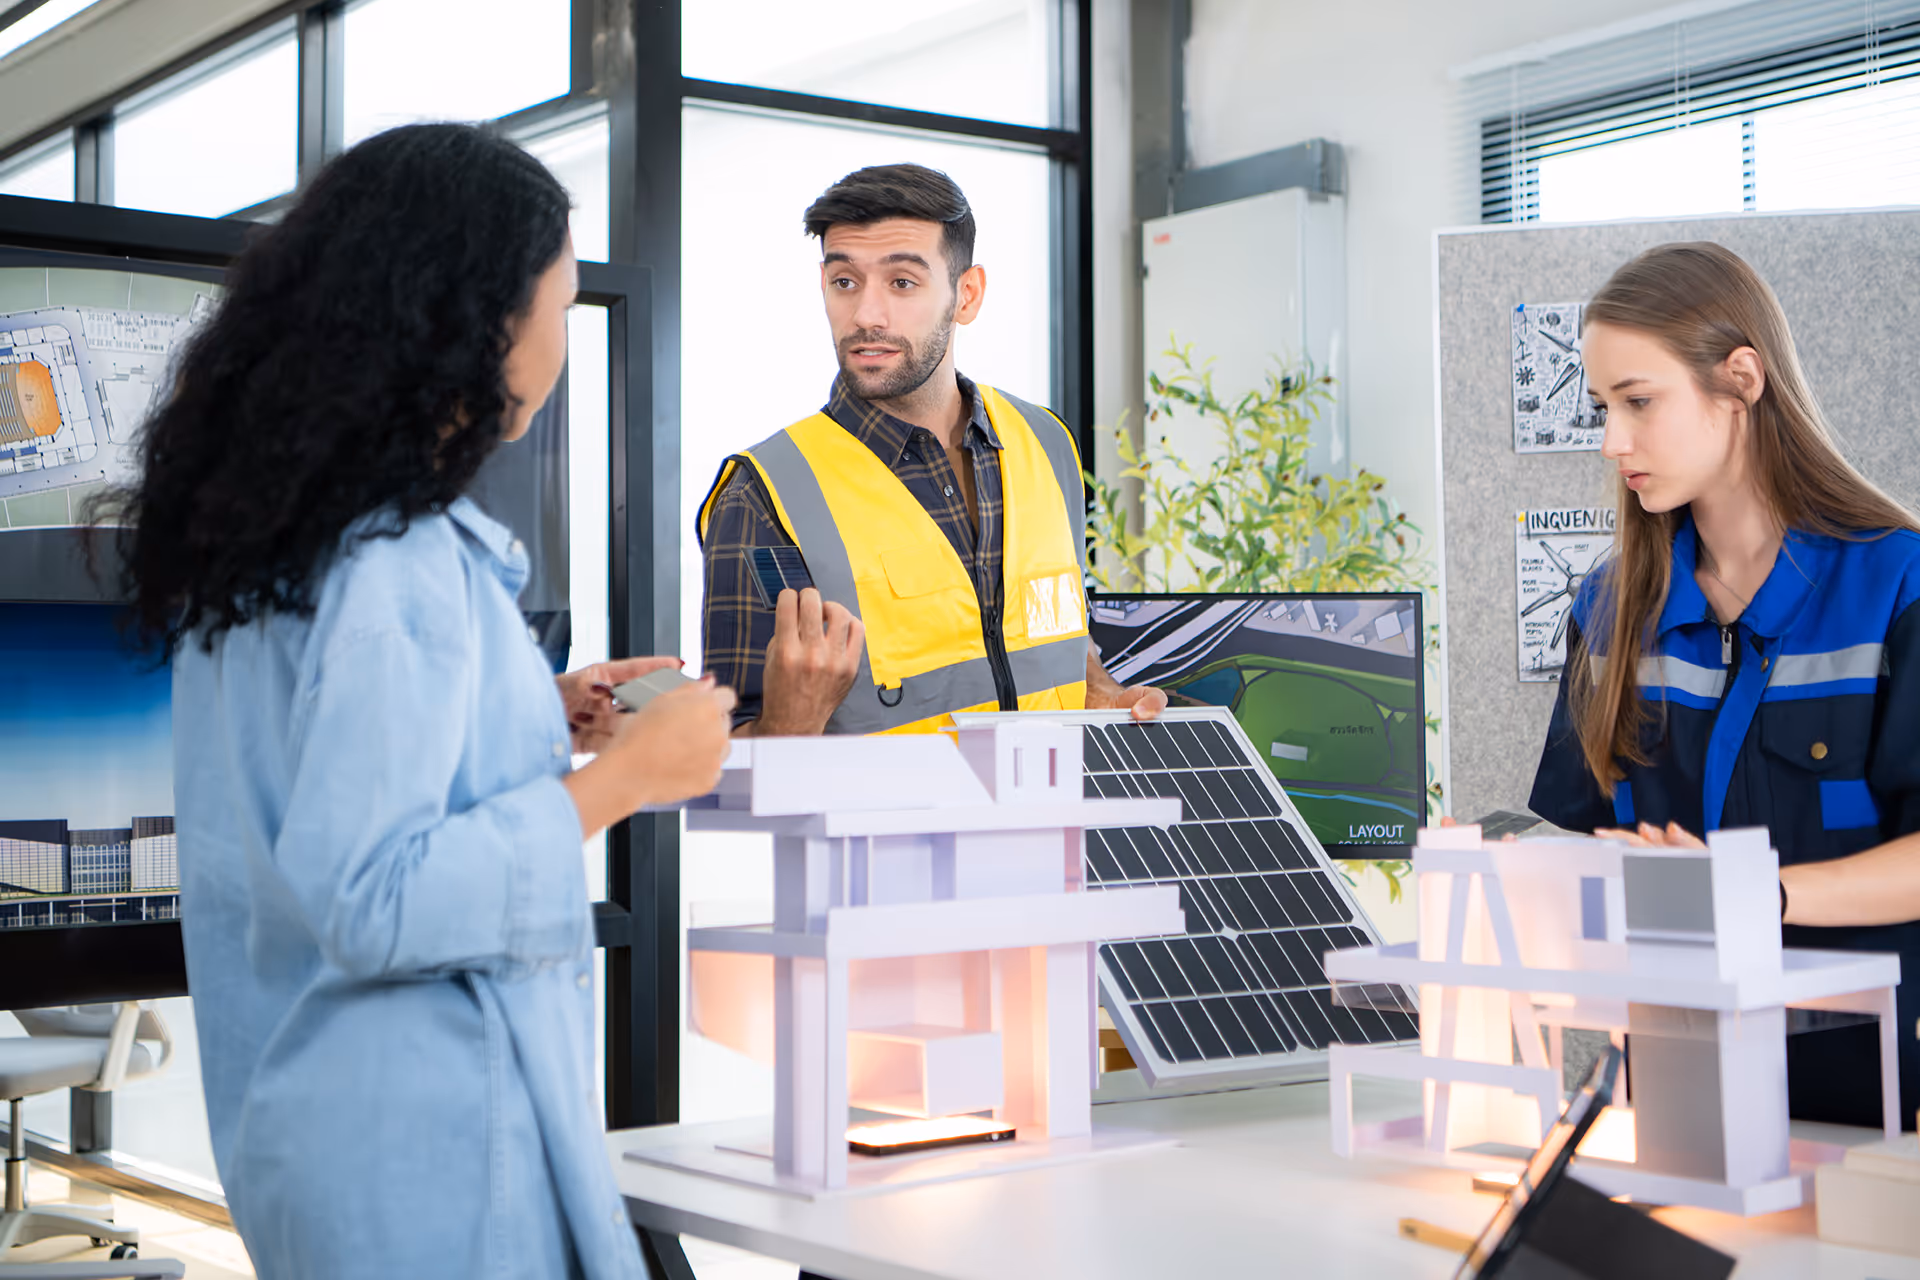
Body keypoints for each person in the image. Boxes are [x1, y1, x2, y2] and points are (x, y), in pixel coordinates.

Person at [108, 125, 734, 1277]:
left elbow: (333, 770)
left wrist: (537, 713)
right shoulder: (396, 563)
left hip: (326, 1129)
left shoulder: (285, 543)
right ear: (481, 318)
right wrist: (629, 778)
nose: (562, 335)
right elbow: (374, 893)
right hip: (432, 1151)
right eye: (560, 299)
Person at [1527, 241, 1920, 1129]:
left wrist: (1758, 897)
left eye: (1638, 402)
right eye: (1601, 406)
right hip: (1677, 1094)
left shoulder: (1897, 586)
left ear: (1741, 380)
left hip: (1875, 1097)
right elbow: (1587, 837)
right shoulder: (1609, 607)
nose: (1611, 441)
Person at [697, 163, 1164, 736]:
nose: (866, 315)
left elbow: (1058, 629)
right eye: (844, 281)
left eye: (902, 283)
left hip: (1053, 822)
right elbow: (729, 753)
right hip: (875, 828)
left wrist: (1100, 691)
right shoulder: (764, 492)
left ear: (966, 296)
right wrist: (788, 725)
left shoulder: (1047, 442)